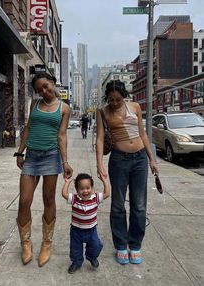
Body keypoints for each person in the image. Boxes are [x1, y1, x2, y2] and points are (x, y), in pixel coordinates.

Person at [96, 80, 159, 265]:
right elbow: (100, 138)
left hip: (139, 159)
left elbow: (143, 134)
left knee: (139, 205)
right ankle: (121, 245)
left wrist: (152, 160)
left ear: (124, 96)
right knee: (118, 205)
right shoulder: (103, 112)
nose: (114, 103)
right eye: (111, 99)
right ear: (107, 97)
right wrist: (99, 163)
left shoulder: (135, 107)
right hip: (118, 160)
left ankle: (135, 244)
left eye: (118, 99)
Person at [14, 72, 73, 267]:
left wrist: (65, 162)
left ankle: (47, 243)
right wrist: (20, 153)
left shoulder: (64, 108)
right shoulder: (35, 105)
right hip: (31, 157)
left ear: (53, 83)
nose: (44, 91)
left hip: (51, 156)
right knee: (24, 201)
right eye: (40, 89)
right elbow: (28, 128)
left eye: (46, 86)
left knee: (49, 199)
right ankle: (26, 243)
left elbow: (62, 136)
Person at [62, 173, 110, 274]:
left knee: (96, 246)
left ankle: (92, 257)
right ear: (77, 190)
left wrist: (104, 181)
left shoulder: (95, 198)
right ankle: (76, 262)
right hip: (76, 231)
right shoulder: (74, 199)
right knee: (75, 249)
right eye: (81, 188)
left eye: (88, 188)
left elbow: (107, 194)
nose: (85, 191)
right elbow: (64, 194)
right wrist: (67, 183)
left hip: (92, 231)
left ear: (92, 188)